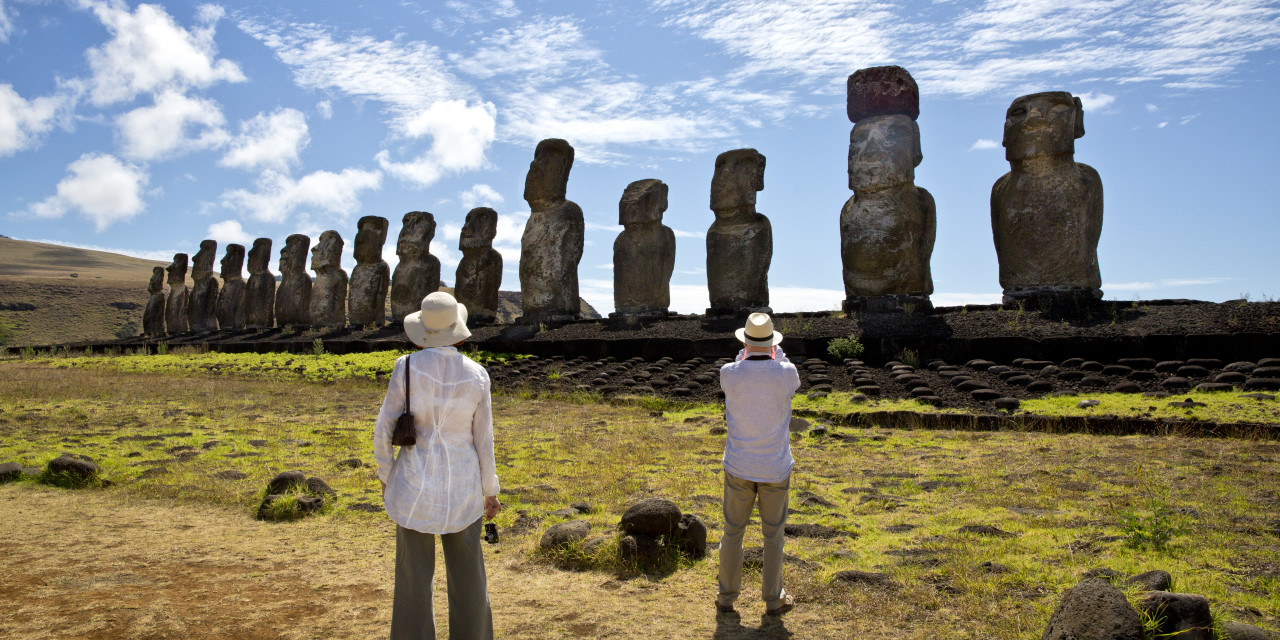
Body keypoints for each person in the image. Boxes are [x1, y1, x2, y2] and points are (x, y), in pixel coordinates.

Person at [374, 291, 502, 640]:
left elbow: (384, 426)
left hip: (413, 484)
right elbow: (483, 439)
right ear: (458, 331)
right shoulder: (477, 375)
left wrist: (386, 474)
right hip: (462, 485)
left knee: (413, 579)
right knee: (469, 576)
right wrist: (489, 490)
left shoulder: (407, 367)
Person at [715, 312, 801, 617]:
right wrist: (773, 354)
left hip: (739, 465)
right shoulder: (787, 373)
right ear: (773, 345)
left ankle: (726, 597)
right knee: (773, 535)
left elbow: (739, 362)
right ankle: (772, 598)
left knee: (732, 532)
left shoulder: (730, 373)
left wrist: (747, 352)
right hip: (775, 467)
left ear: (745, 342)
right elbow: (786, 371)